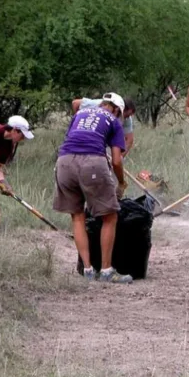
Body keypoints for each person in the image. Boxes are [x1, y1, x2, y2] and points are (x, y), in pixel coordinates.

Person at [53, 92, 133, 284]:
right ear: (115, 109)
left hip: (63, 162)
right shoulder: (114, 121)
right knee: (110, 216)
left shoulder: (79, 115)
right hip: (92, 163)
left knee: (78, 216)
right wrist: (121, 182)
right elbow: (116, 161)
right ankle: (106, 271)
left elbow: (74, 139)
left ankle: (87, 270)